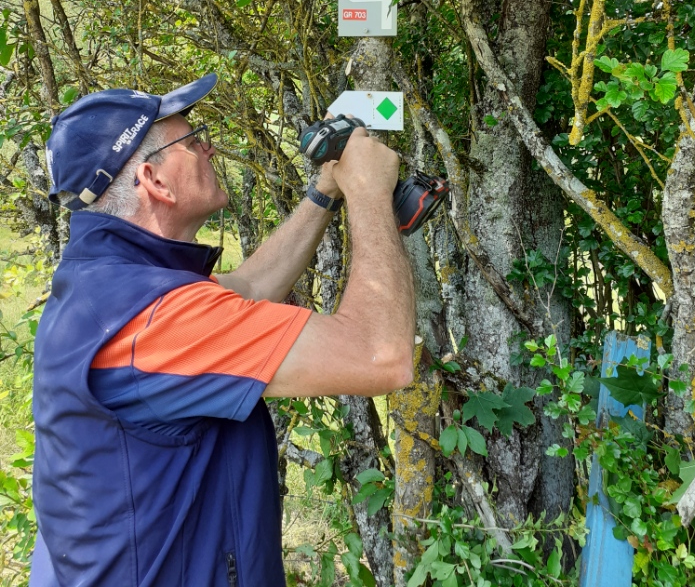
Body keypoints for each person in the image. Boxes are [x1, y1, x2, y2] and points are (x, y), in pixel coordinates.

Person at [30, 72, 414, 587]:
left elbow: (249, 288)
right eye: (191, 141)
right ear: (154, 180)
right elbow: (381, 354)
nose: (209, 148)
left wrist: (326, 190)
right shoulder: (153, 320)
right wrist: (368, 192)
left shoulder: (109, 283)